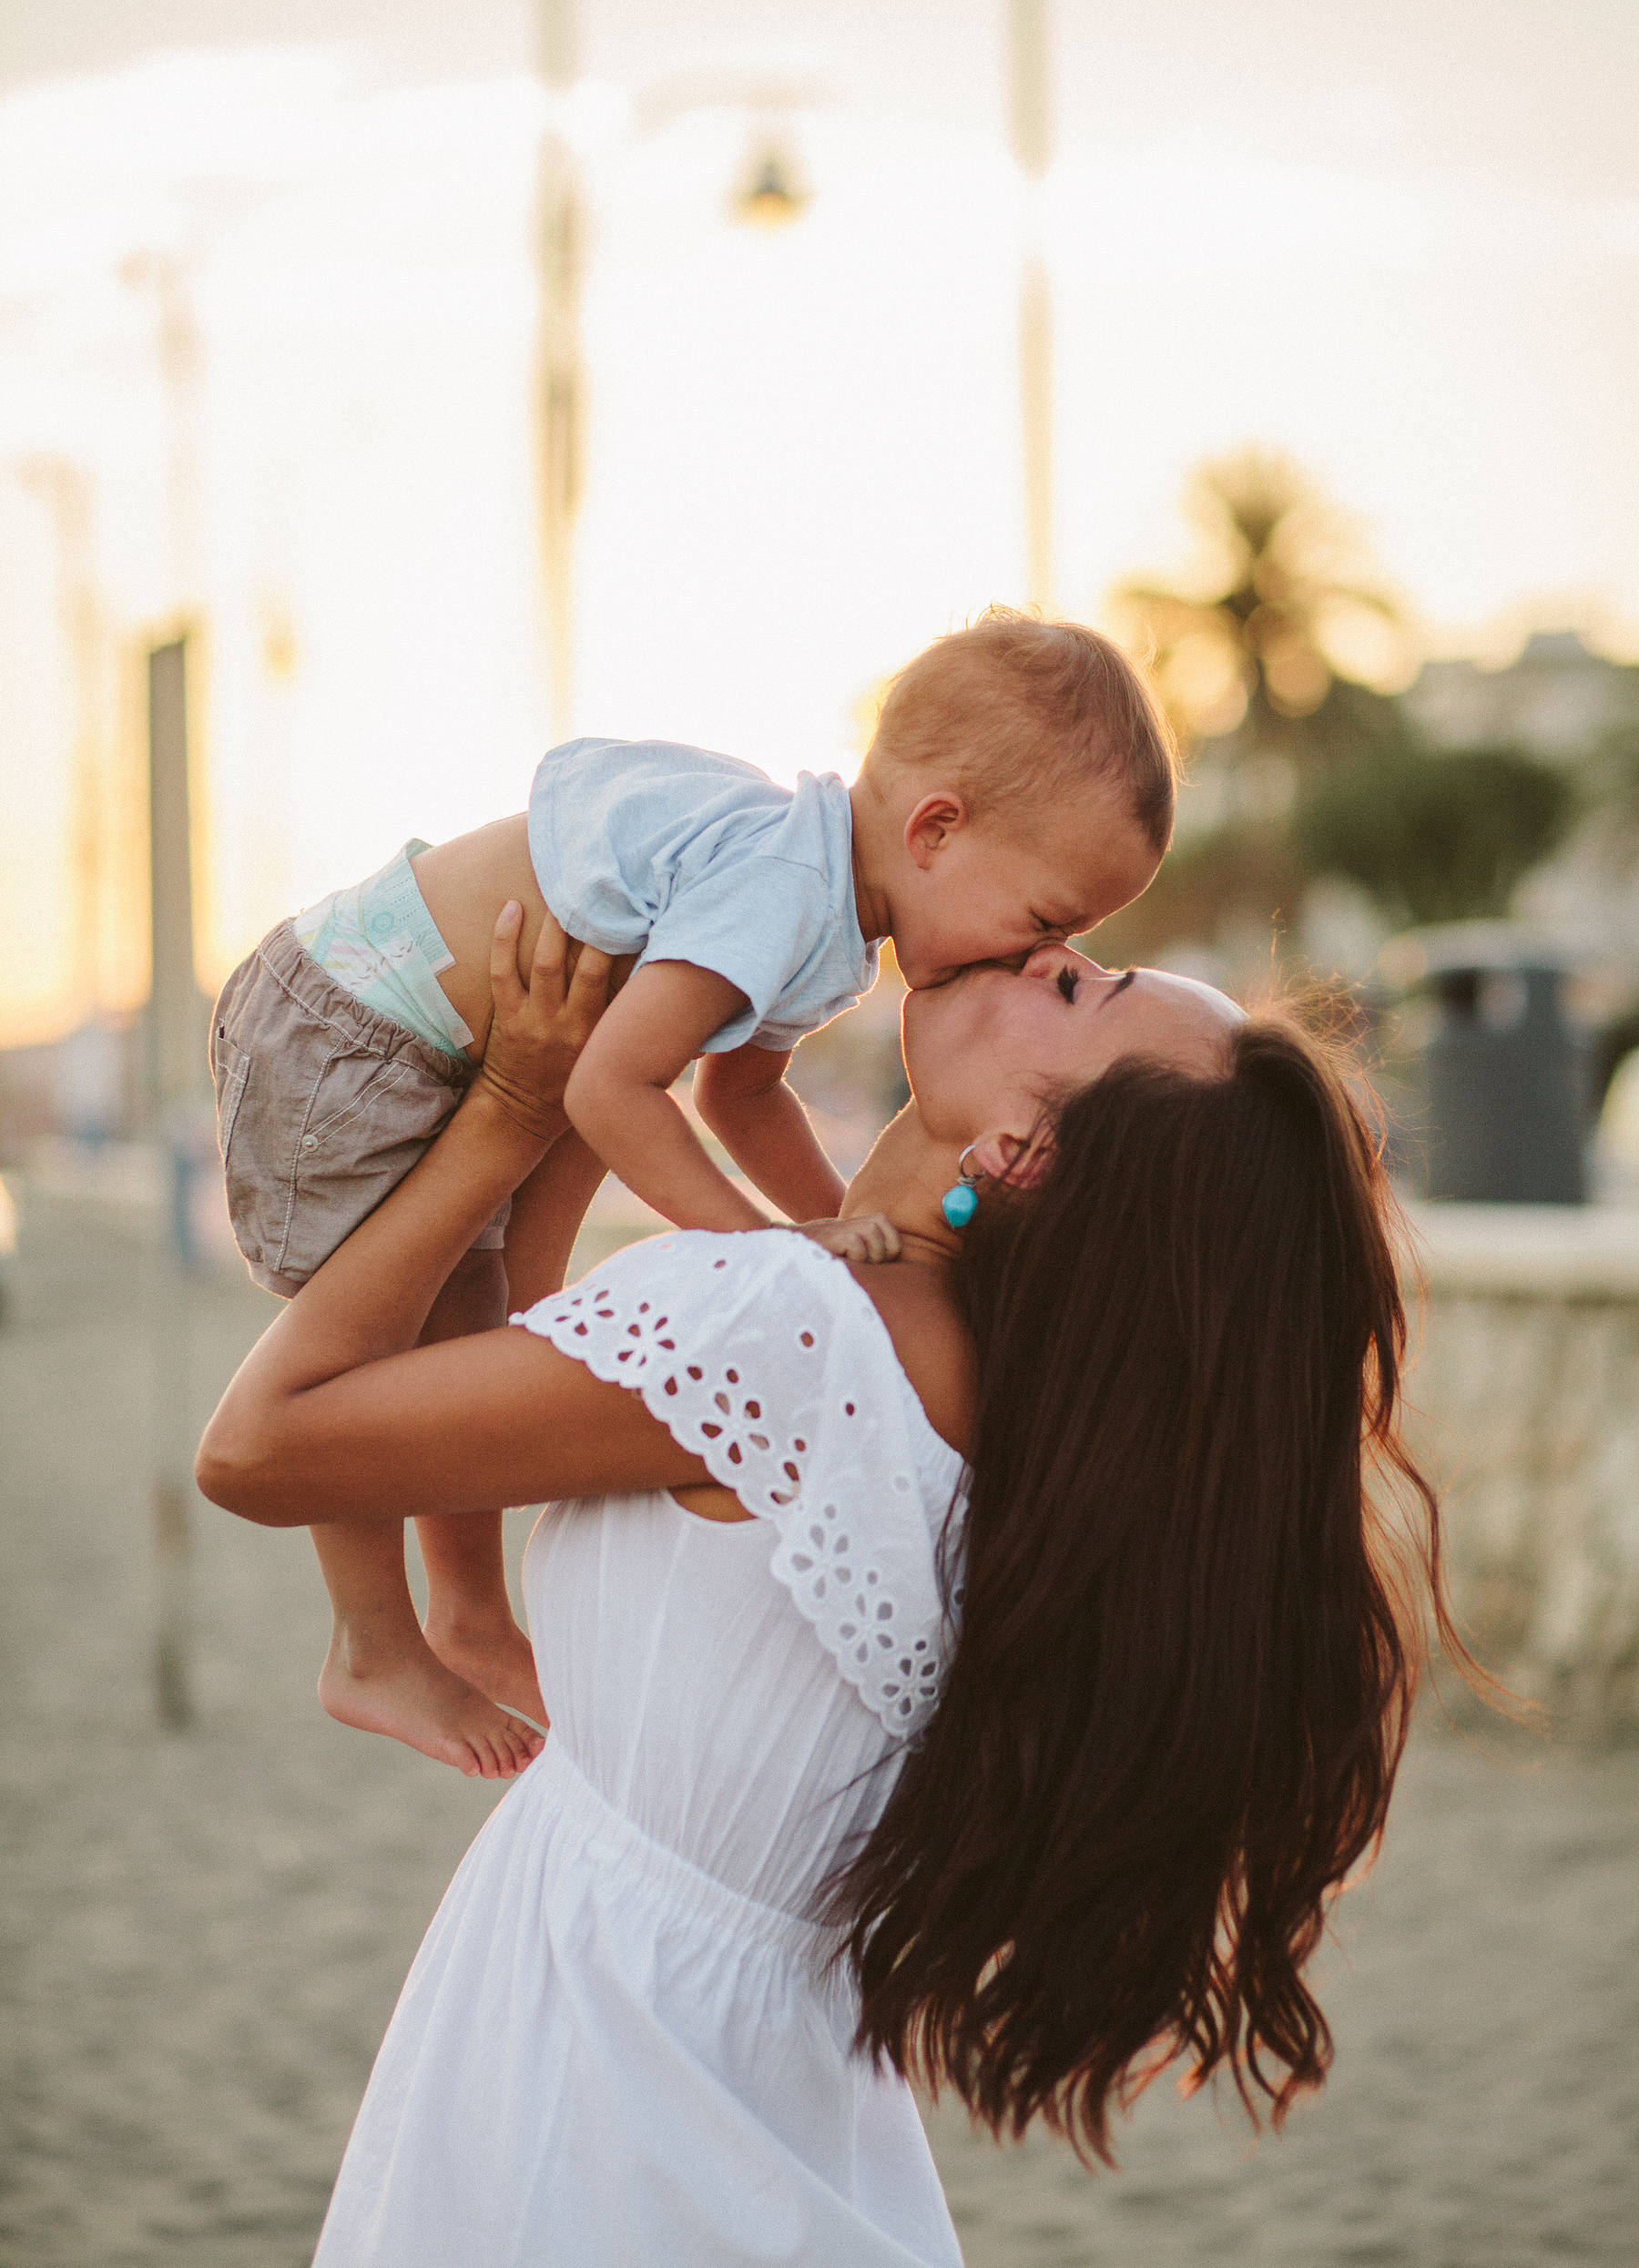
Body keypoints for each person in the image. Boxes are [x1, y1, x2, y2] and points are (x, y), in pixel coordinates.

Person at [198, 904, 1469, 2267]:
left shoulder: (785, 1329)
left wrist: (513, 1107)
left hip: (591, 2087)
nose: (1053, 949)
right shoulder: (1003, 1424)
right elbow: (521, 1376)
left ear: (1022, 1156)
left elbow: (263, 1448)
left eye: (1084, 993)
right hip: (769, 2098)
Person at [208, 610, 1173, 1780]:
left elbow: (742, 1098)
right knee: (375, 1346)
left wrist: (837, 1239)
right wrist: (768, 1252)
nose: (1040, 956)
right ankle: (371, 1644)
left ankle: (465, 1619)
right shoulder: (783, 886)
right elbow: (615, 1089)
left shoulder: (828, 919)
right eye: (1046, 920)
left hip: (415, 1037)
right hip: (348, 1031)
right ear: (936, 829)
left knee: (470, 1306)